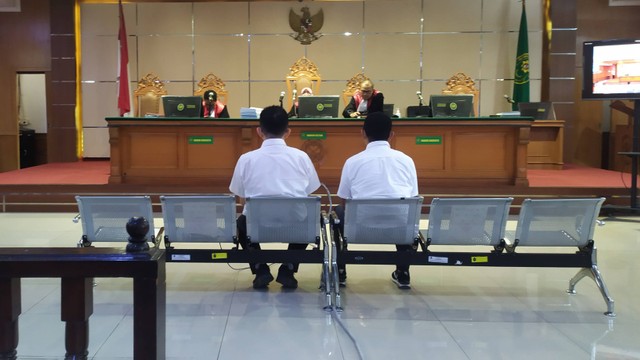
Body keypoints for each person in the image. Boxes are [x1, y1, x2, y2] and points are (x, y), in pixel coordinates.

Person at [229, 105, 321, 289]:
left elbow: (240, 196)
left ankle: (260, 268)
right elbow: (310, 192)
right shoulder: (301, 157)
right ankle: (288, 268)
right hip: (295, 226)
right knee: (310, 216)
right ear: (288, 132)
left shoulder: (246, 159)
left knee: (240, 223)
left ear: (259, 131)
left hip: (256, 226)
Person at [335, 111, 419, 289]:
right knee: (403, 210)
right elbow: (413, 197)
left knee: (337, 211)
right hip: (399, 226)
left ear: (363, 133)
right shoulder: (407, 160)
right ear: (391, 135)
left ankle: (340, 270)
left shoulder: (352, 161)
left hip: (360, 226)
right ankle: (403, 271)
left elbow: (343, 200)